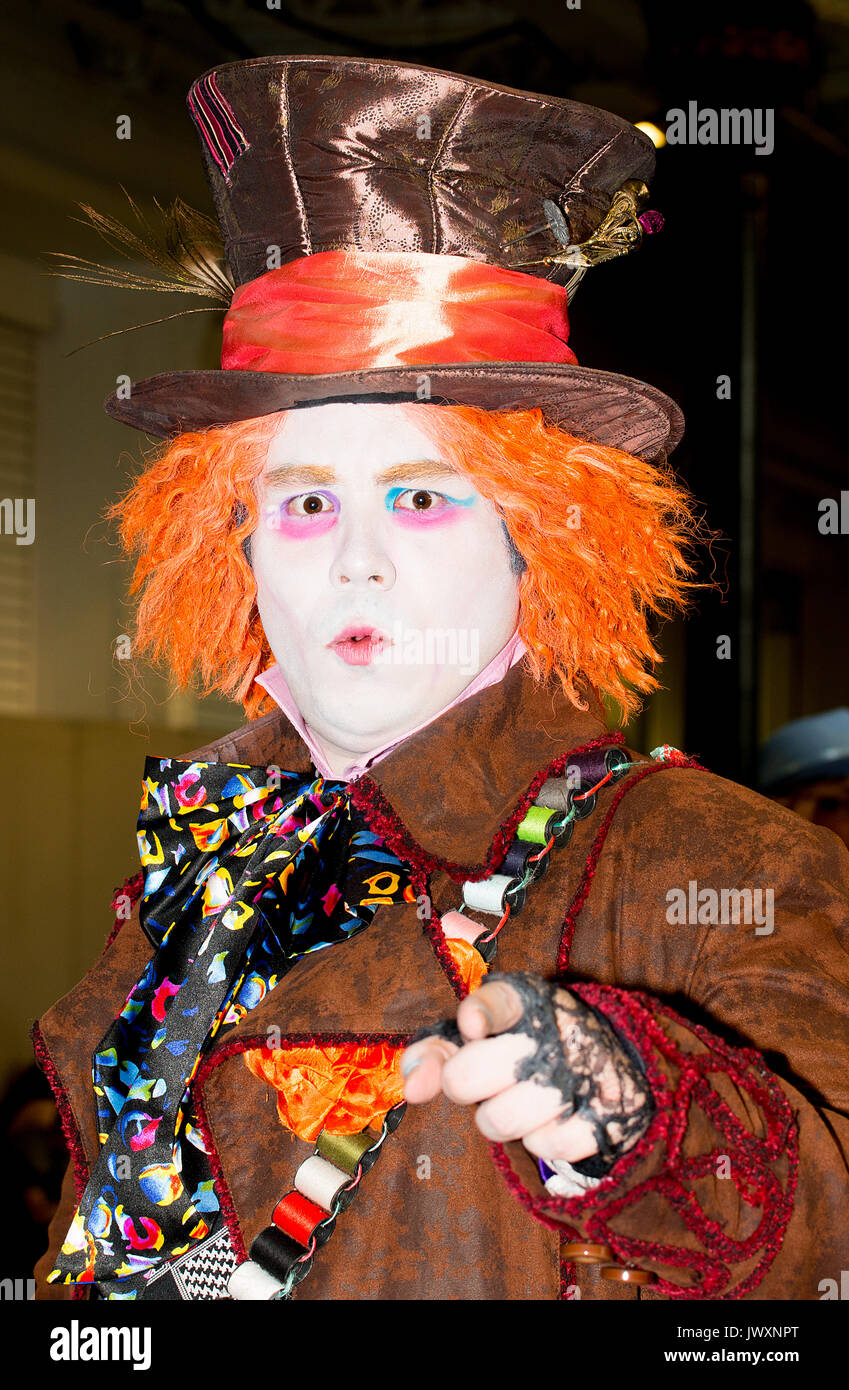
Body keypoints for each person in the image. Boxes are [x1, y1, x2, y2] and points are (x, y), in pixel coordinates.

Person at [33, 54, 849, 1302]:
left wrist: (640, 1110)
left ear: (539, 537)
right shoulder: (207, 847)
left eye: (419, 496)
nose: (355, 562)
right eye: (304, 502)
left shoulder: (712, 859)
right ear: (237, 549)